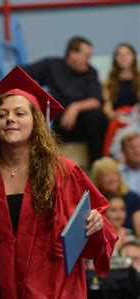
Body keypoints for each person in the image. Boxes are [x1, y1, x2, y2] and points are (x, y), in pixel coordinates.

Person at [0, 66, 116, 299]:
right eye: (2, 114)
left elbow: (98, 227)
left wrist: (96, 226)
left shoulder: (63, 172)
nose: (10, 119)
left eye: (20, 113)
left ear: (36, 122)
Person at [24, 36, 108, 165]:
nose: (88, 60)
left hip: (82, 123)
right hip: (56, 122)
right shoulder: (51, 65)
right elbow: (22, 74)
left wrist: (75, 107)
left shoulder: (91, 72)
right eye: (86, 56)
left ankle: (96, 166)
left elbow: (96, 101)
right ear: (72, 54)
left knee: (97, 116)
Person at [102, 43, 140, 156]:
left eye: (127, 54)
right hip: (117, 119)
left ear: (133, 57)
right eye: (120, 54)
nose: (123, 57)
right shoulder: (108, 81)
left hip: (136, 118)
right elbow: (107, 108)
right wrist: (114, 114)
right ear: (115, 59)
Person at [90, 156, 140, 237]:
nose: (112, 178)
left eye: (114, 174)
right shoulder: (92, 201)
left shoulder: (132, 198)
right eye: (106, 175)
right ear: (97, 178)